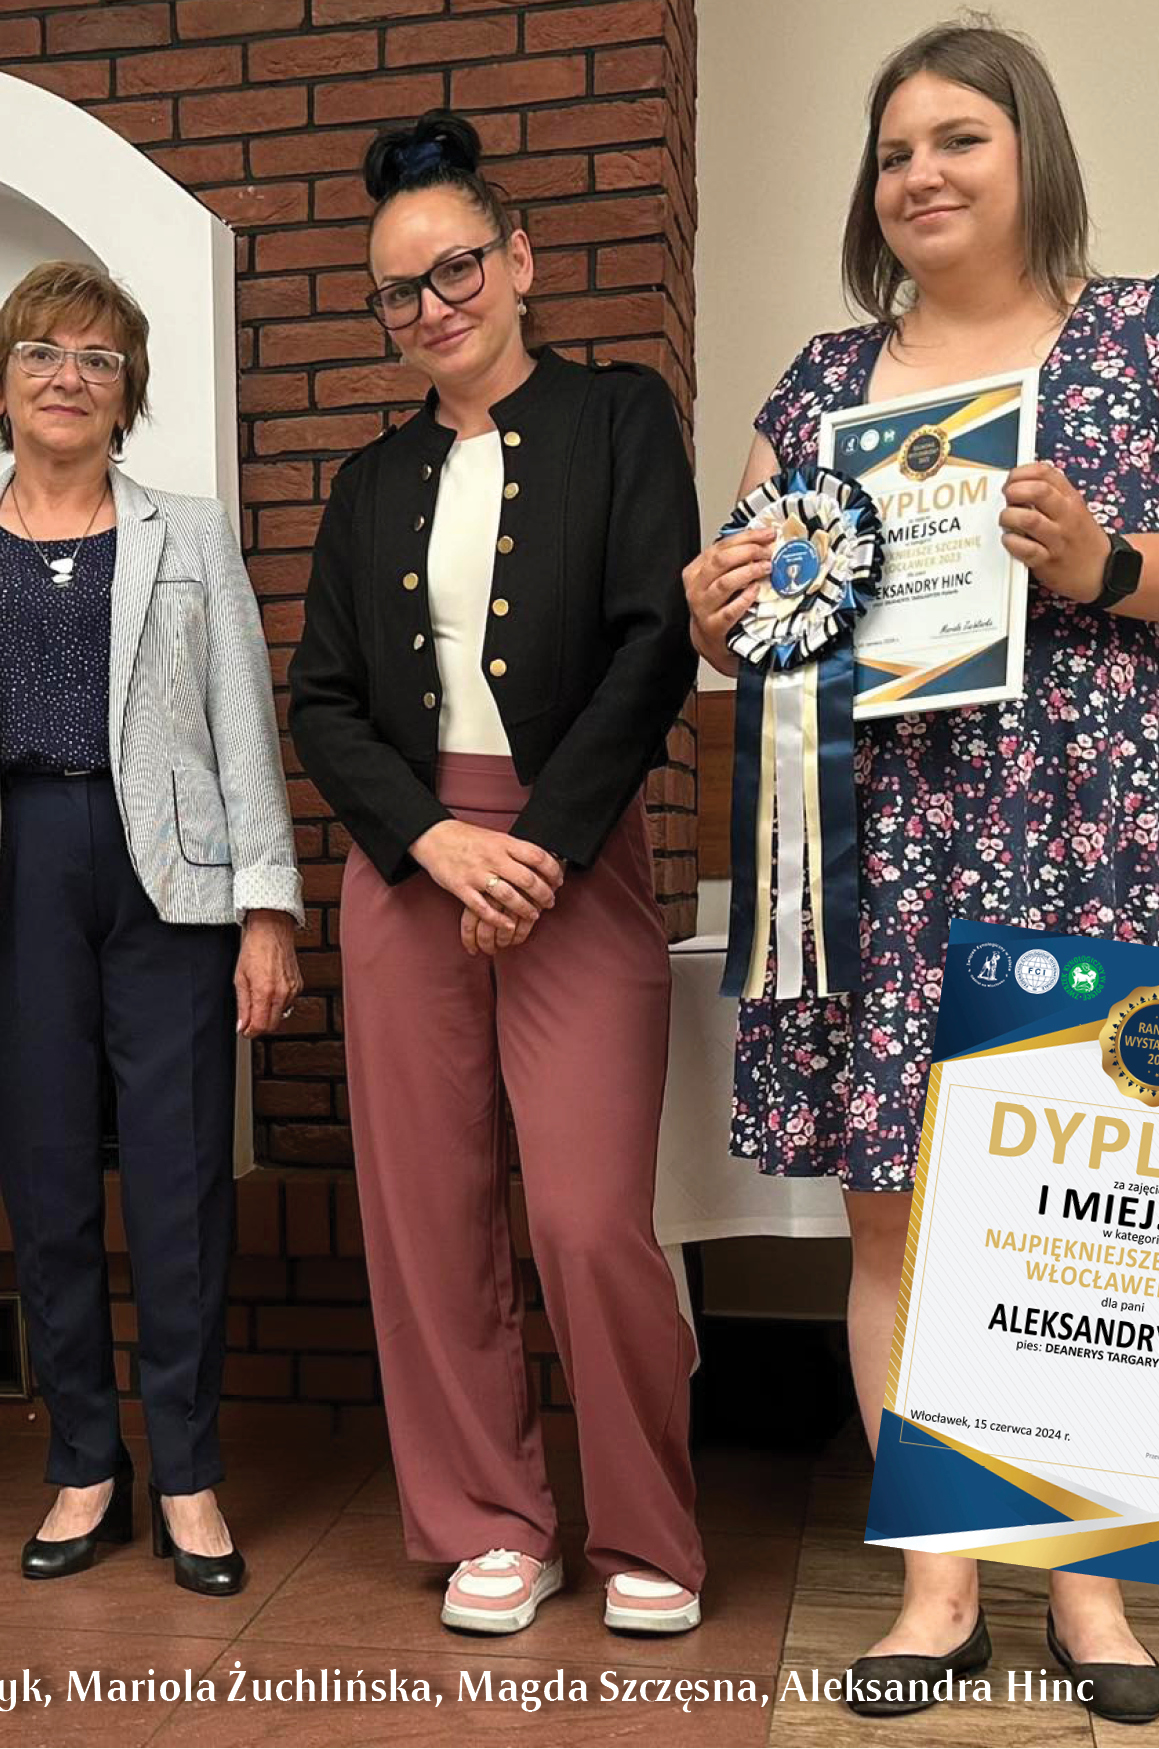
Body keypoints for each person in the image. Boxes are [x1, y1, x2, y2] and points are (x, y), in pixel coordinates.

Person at [683, 23, 1159, 1725]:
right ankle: (938, 1584)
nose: (920, 175)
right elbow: (750, 601)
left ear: (1030, 148)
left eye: (956, 138)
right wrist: (716, 607)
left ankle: (1088, 1591)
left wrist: (1110, 561)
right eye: (893, 151)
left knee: (1090, 1205)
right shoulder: (817, 385)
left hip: (1089, 821)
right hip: (878, 844)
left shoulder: (1153, 333)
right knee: (893, 1212)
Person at [288, 109, 704, 1639]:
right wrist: (433, 839)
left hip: (570, 855)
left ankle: (646, 1523)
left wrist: (538, 842)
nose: (432, 304)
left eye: (455, 267)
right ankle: (487, 1518)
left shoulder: (620, 418)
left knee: (587, 1216)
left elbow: (655, 644)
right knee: (429, 1214)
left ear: (518, 260)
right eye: (398, 290)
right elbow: (321, 701)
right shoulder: (365, 482)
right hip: (410, 867)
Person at [0, 262, 301, 1596]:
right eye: (41, 352)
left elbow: (241, 720)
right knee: (44, 1180)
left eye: (98, 358)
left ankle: (188, 1472)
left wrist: (267, 906)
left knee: (179, 1179)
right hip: (8, 869)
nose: (68, 377)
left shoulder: (188, 533)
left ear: (128, 390)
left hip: (171, 884)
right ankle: (85, 1460)